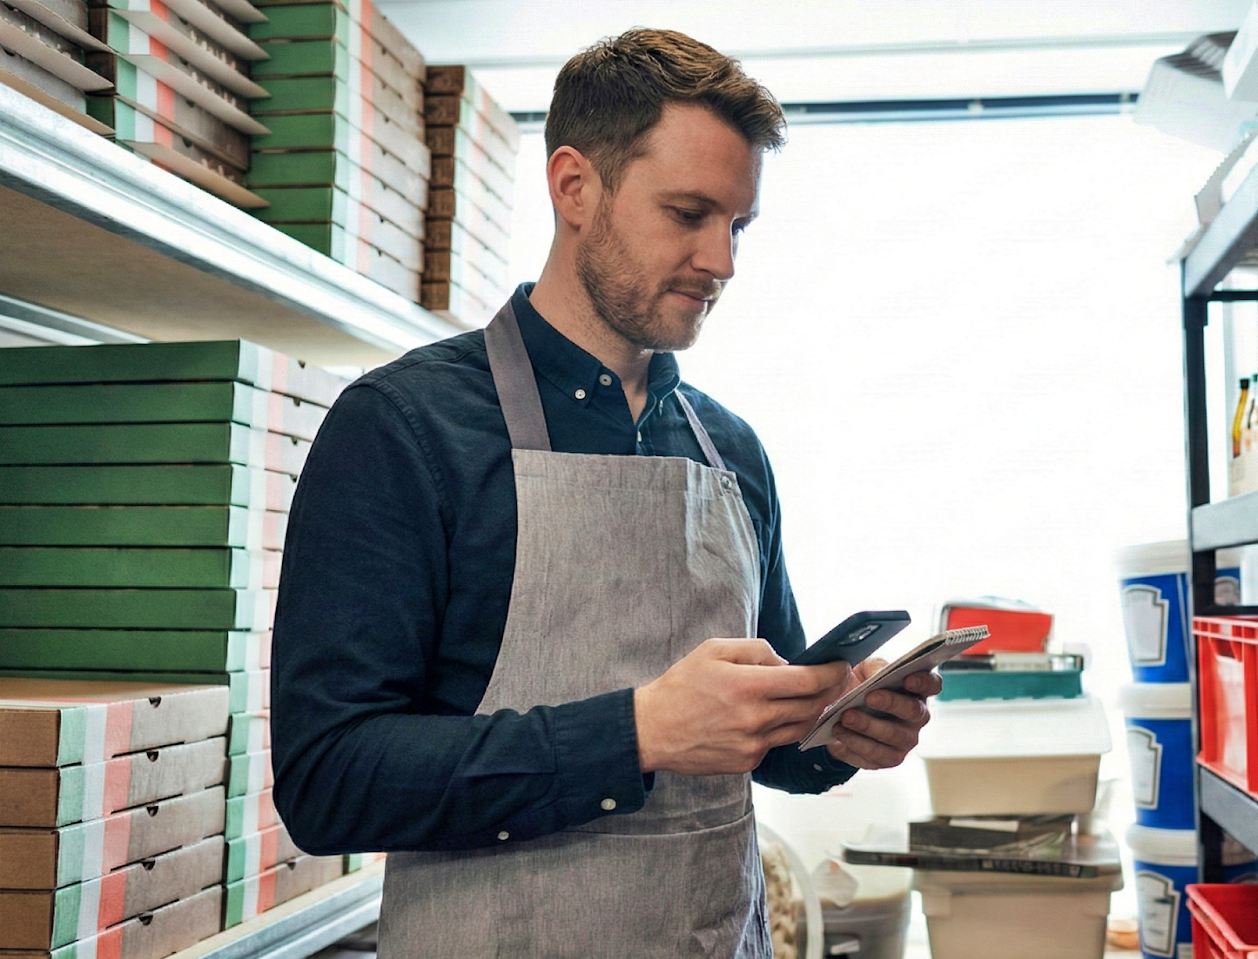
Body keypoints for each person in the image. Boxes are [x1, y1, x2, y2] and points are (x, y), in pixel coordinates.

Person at [270, 28, 942, 958]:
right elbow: (328, 780)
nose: (722, 261)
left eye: (738, 226)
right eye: (689, 213)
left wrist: (837, 733)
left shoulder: (732, 453)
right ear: (574, 186)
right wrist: (636, 731)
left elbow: (770, 739)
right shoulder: (402, 429)